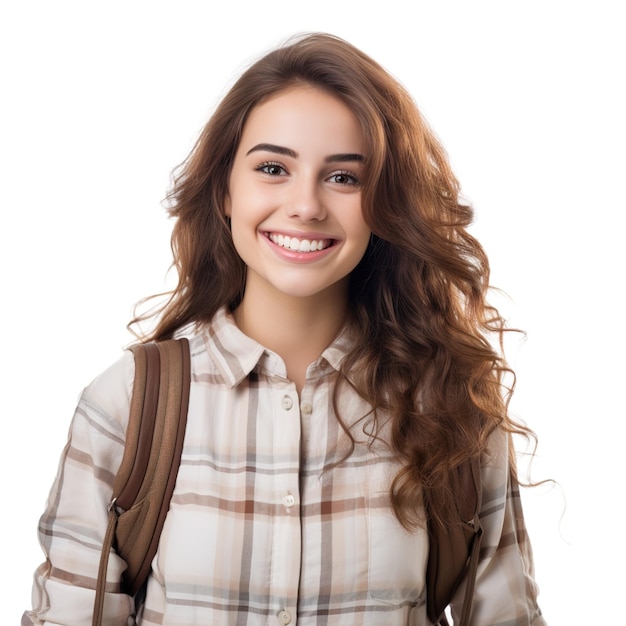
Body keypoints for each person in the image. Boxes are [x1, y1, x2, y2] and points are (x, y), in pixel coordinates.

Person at [23, 33, 547, 625]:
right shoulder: (127, 405)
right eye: (273, 168)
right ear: (225, 187)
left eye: (344, 178)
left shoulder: (451, 406)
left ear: (385, 202)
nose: (305, 205)